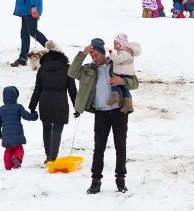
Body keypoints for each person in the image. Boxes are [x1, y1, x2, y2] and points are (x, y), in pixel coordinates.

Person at [68, 38, 139, 194]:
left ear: (103, 52)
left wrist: (122, 81)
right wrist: (82, 54)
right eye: (92, 55)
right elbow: (72, 72)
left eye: (96, 54)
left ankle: (121, 180)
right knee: (98, 148)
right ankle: (95, 181)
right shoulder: (88, 70)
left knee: (120, 147)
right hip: (101, 112)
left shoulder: (117, 64)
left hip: (119, 111)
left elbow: (135, 82)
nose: (94, 57)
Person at [28, 40, 77, 164]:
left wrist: (32, 106)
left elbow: (37, 89)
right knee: (57, 130)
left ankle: (48, 156)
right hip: (61, 102)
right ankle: (53, 156)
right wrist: (77, 106)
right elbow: (72, 89)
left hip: (45, 101)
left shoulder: (42, 69)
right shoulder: (67, 68)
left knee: (46, 128)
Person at [0, 86, 38, 170]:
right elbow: (26, 116)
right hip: (17, 134)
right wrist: (34, 116)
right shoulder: (18, 107)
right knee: (18, 148)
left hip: (6, 136)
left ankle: (8, 165)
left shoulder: (1, 109)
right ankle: (16, 158)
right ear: (15, 96)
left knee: (8, 150)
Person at [109, 33, 140, 114]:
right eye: (114, 44)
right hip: (123, 73)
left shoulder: (125, 52)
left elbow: (119, 60)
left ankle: (115, 96)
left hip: (123, 74)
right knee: (123, 88)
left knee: (113, 80)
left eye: (116, 44)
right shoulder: (124, 52)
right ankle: (127, 104)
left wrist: (112, 54)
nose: (115, 46)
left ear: (122, 44)